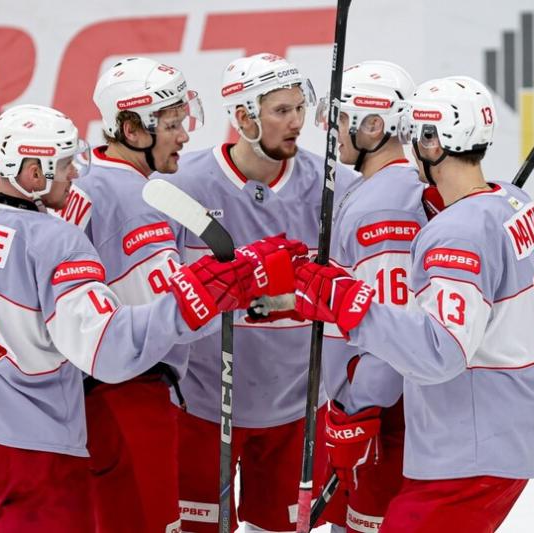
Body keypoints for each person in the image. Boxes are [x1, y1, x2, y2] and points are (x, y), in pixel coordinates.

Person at [0, 103, 306, 532]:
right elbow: (109, 352)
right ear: (33, 173)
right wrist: (196, 296)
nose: (75, 174)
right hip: (30, 454)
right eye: (64, 164)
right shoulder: (56, 241)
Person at [293, 76, 534, 532]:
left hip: (472, 446)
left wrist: (349, 302)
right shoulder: (511, 201)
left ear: (433, 142)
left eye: (413, 135)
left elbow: (441, 352)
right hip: (509, 427)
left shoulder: (457, 233)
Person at [162, 52, 357, 532]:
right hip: (203, 405)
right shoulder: (183, 185)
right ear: (244, 117)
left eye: (299, 108)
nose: (296, 122)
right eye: (281, 111)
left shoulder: (334, 186)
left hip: (297, 407)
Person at [54, 57, 205, 532]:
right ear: (132, 129)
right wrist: (239, 287)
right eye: (172, 124)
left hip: (80, 402)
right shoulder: (139, 202)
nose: (184, 136)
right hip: (128, 400)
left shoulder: (82, 177)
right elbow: (172, 318)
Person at [315, 60, 427, 532]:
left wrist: (357, 410)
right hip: (372, 407)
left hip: (381, 416)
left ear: (374, 125)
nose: (333, 130)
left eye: (342, 119)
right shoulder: (380, 188)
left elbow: (391, 329)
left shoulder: (385, 205)